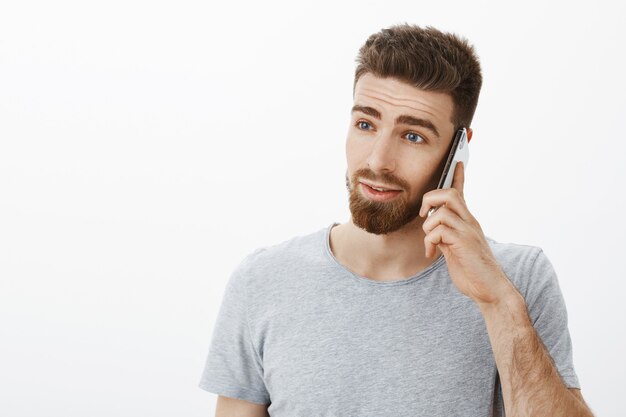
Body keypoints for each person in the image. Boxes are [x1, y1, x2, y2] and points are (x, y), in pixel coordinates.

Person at [199, 24, 594, 417]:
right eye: (366, 125)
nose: (376, 161)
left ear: (458, 151)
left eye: (413, 136)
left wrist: (498, 303)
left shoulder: (518, 280)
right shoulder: (263, 280)